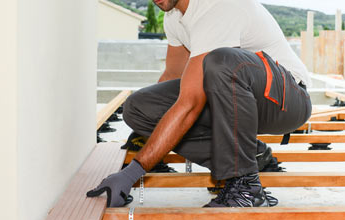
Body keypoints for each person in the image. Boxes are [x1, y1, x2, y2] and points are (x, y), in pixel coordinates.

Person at [87, 0, 312, 208]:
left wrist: (133, 172)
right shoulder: (173, 17)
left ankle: (245, 185)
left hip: (286, 101)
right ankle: (251, 155)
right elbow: (171, 75)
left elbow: (190, 103)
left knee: (221, 61)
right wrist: (145, 131)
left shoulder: (218, 6)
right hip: (235, 100)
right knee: (138, 107)